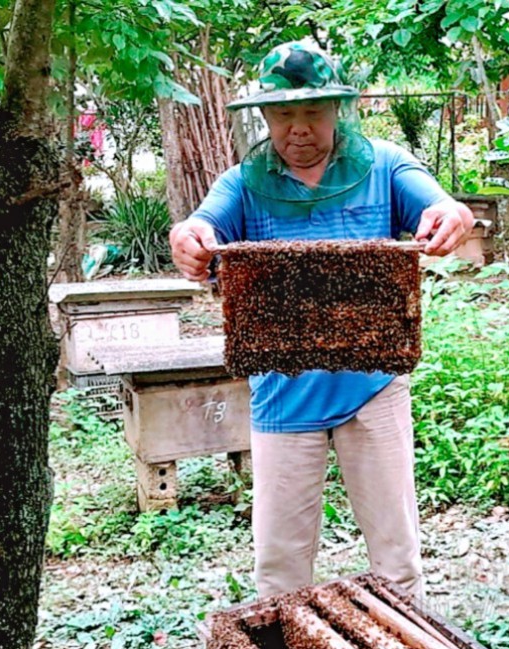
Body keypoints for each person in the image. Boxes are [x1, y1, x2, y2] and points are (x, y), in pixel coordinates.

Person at [168, 40, 473, 600]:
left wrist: (450, 215)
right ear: (264, 116)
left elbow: (445, 206)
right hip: (284, 397)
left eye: (312, 112)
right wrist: (188, 242)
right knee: (279, 573)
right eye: (284, 113)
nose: (299, 129)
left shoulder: (383, 165)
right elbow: (198, 226)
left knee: (397, 562)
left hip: (374, 392)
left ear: (337, 111)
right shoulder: (242, 184)